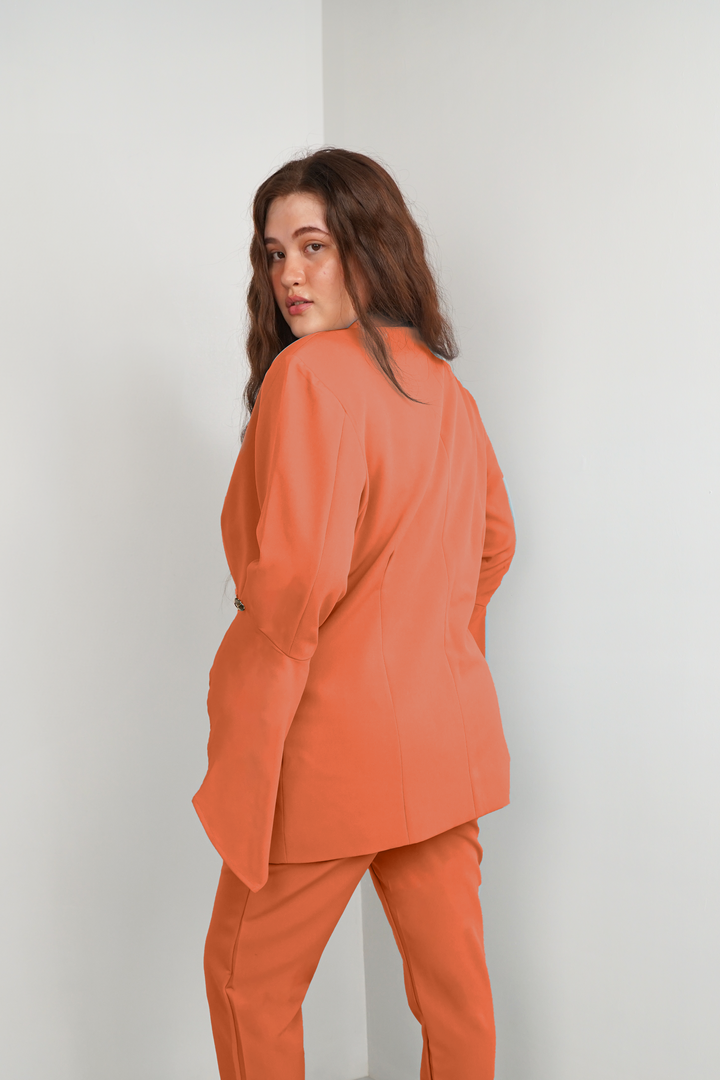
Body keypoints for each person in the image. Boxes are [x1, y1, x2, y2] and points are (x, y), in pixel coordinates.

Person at [192, 147, 516, 1080]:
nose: (289, 275)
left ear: (369, 247)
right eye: (273, 254)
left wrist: (247, 685)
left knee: (247, 985)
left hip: (325, 750)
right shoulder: (448, 391)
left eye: (313, 246)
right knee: (455, 1001)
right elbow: (495, 543)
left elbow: (297, 579)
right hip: (443, 743)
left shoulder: (307, 377)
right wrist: (433, 645)